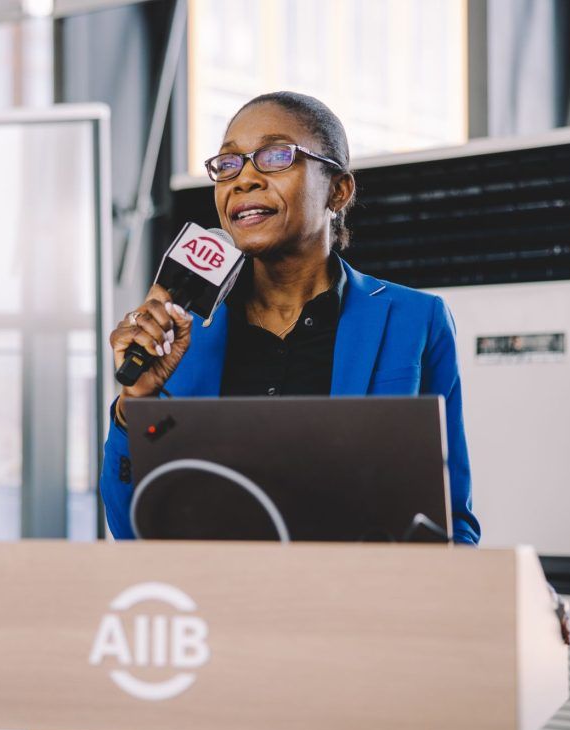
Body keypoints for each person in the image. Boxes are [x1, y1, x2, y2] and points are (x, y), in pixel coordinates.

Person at [101, 90, 480, 545]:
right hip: (221, 605)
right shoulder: (184, 334)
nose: (243, 179)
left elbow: (452, 521)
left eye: (275, 156)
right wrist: (136, 402)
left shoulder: (414, 321)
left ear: (338, 190)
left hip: (354, 603)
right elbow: (132, 530)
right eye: (228, 164)